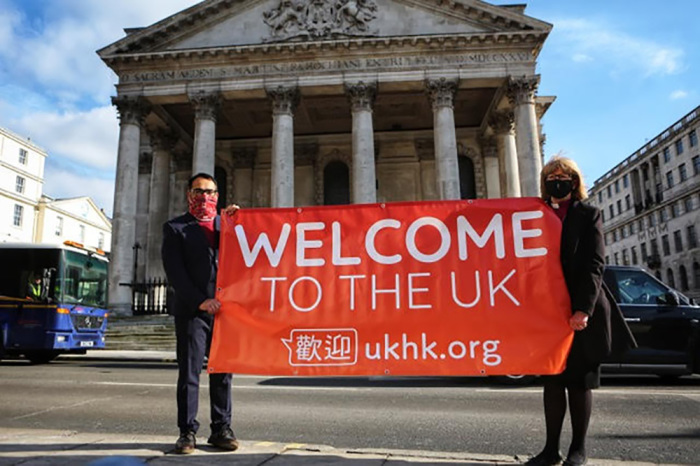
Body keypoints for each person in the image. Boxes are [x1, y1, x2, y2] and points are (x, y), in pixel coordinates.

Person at [526, 156, 635, 466]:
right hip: (547, 310)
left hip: (580, 310)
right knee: (552, 381)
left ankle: (578, 449)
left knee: (579, 381)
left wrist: (582, 310)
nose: (555, 181)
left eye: (562, 176)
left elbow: (594, 264)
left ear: (573, 182)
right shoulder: (535, 213)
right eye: (550, 176)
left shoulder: (588, 213)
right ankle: (550, 449)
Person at [162, 172, 238, 455]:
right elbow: (175, 273)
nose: (204, 196)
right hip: (192, 312)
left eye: (209, 191)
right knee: (190, 373)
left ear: (217, 196)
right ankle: (187, 432)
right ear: (188, 195)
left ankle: (221, 429)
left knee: (222, 373)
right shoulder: (175, 228)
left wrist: (239, 221)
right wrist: (200, 301)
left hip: (225, 312)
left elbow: (252, 248)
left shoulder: (226, 225)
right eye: (198, 191)